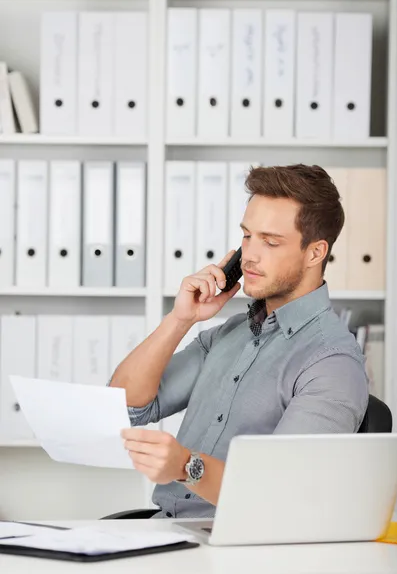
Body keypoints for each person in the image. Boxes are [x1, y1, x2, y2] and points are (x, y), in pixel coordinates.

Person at [110, 164, 369, 519]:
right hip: (166, 530)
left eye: (270, 241)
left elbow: (279, 492)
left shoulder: (332, 363)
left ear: (315, 253)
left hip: (239, 546)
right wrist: (180, 319)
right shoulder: (230, 333)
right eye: (247, 236)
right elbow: (125, 405)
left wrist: (186, 466)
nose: (248, 255)